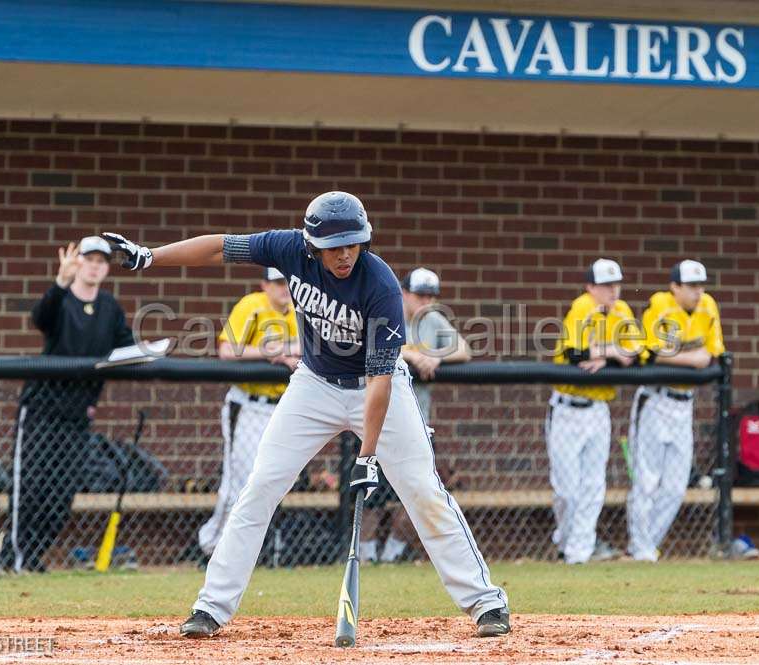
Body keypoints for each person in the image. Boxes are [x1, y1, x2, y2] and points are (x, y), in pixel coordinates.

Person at [103, 191, 511, 638]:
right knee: (258, 488)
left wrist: (368, 456)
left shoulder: (380, 286)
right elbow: (220, 246)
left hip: (378, 387)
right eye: (334, 246)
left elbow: (380, 382)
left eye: (352, 243)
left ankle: (485, 602)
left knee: (422, 492)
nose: (344, 254)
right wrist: (148, 257)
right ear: (312, 243)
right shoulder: (288, 247)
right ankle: (211, 607)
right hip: (313, 385)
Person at [0, 237, 134, 575]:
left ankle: (30, 555)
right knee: (31, 487)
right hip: (41, 409)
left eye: (102, 260)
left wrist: (150, 352)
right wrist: (60, 281)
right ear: (78, 262)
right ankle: (13, 558)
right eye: (89, 259)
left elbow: (126, 349)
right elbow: (41, 318)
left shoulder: (110, 308)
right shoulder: (61, 299)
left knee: (60, 494)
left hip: (77, 415)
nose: (95, 265)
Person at [360, 267, 472, 564]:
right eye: (420, 295)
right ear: (404, 293)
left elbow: (464, 349)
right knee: (372, 495)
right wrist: (409, 354)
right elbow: (367, 347)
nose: (426, 302)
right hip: (377, 423)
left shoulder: (432, 320)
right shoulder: (387, 310)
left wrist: (436, 355)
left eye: (431, 297)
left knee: (414, 496)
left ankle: (392, 554)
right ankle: (366, 554)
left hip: (417, 423)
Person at [196, 267, 299, 565]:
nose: (284, 289)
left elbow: (314, 346)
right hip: (249, 405)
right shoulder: (252, 305)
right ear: (264, 284)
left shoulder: (299, 310)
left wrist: (282, 350)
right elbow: (227, 350)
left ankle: (249, 552)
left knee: (274, 481)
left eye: (287, 282)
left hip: (283, 407)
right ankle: (211, 548)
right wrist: (272, 351)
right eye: (278, 282)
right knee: (237, 483)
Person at [627, 260, 725, 562]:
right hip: (656, 401)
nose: (698, 291)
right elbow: (654, 354)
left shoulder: (708, 306)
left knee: (676, 485)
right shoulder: (660, 305)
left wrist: (687, 357)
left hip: (684, 405)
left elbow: (713, 354)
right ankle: (641, 549)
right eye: (691, 286)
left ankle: (646, 546)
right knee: (647, 480)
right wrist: (693, 358)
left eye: (701, 285)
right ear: (675, 287)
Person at [548, 259, 641, 565]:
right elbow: (576, 354)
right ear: (590, 287)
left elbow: (636, 353)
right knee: (567, 489)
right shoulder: (582, 306)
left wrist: (605, 353)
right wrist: (614, 351)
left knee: (593, 485)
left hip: (598, 409)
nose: (612, 290)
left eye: (616, 284)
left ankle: (579, 552)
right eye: (605, 285)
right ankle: (566, 539)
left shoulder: (623, 311)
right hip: (567, 408)